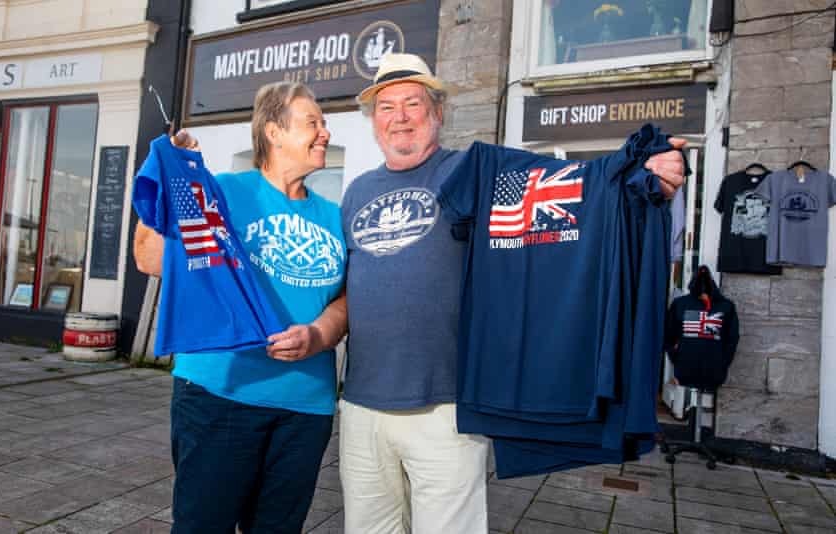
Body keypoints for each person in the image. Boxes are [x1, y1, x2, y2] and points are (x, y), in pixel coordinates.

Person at [338, 53, 687, 534]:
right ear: (373, 121)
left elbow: (575, 190)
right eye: (386, 106)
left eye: (412, 103)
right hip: (361, 405)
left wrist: (639, 174)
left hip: (445, 407)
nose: (399, 117)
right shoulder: (356, 191)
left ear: (437, 112)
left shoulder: (475, 174)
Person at [133, 81, 348, 534]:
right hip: (220, 394)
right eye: (313, 122)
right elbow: (150, 259)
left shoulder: (333, 215)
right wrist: (176, 183)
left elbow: (345, 299)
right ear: (273, 132)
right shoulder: (224, 193)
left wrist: (319, 334)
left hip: (305, 406)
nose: (325, 132)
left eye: (324, 123)